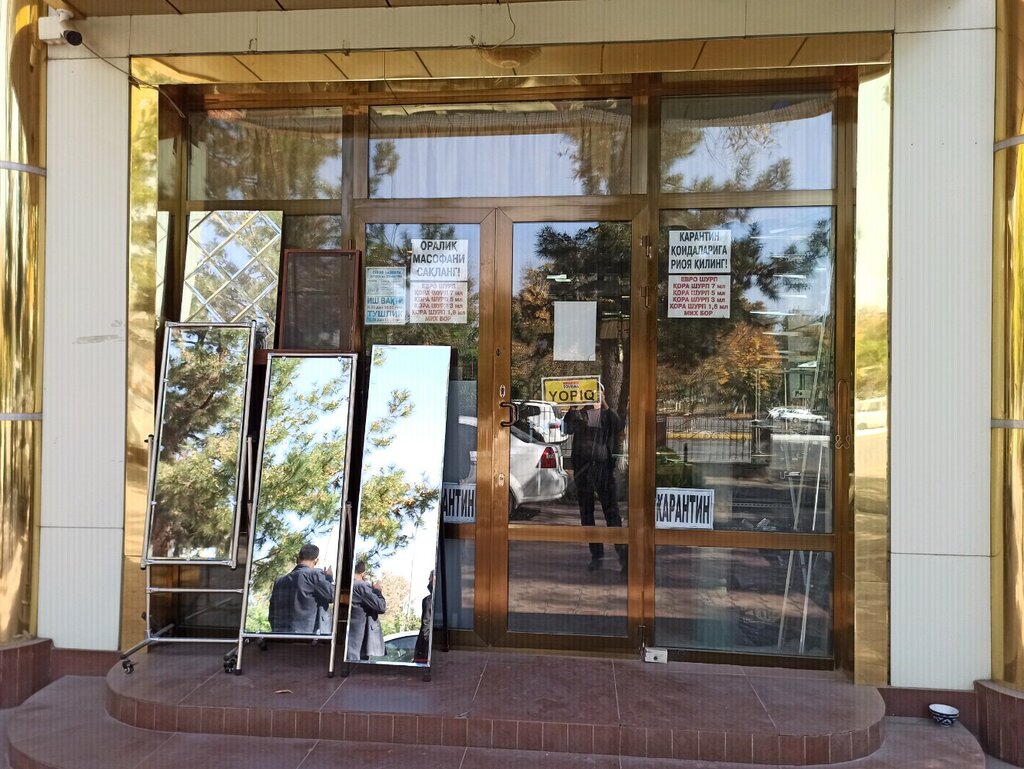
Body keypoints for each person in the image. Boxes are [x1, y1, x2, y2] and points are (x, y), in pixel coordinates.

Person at [562, 383, 627, 572]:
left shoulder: (607, 415)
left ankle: (623, 557)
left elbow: (618, 425)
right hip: (583, 470)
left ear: (602, 393)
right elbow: (567, 428)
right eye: (590, 391)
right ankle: (596, 555)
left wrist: (604, 403)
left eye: (597, 391)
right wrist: (573, 406)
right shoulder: (580, 414)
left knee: (612, 513)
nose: (593, 394)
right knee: (587, 514)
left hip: (603, 470)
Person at [267, 543, 335, 634]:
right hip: (307, 638)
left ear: (297, 558)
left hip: (279, 636)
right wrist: (329, 578)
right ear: (316, 561)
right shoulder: (314, 575)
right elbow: (333, 595)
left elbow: (272, 613)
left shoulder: (279, 581)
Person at [346, 559, 386, 661]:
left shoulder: (347, 585)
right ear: (363, 573)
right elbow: (381, 607)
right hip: (359, 643)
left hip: (351, 640)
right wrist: (377, 591)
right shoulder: (361, 586)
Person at [413, 570, 435, 664]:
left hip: (426, 649)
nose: (428, 579)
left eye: (430, 577)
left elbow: (426, 625)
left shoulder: (429, 600)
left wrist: (425, 646)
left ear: (434, 578)